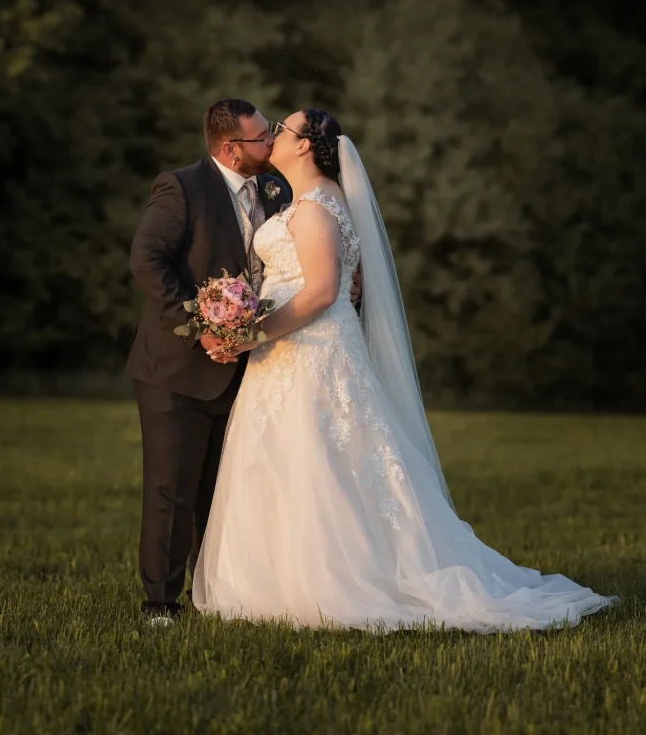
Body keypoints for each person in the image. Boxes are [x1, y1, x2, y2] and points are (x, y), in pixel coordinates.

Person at [192, 109, 619, 632]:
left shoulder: (317, 207)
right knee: (290, 460)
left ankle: (332, 581)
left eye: (283, 127)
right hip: (286, 352)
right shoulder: (308, 202)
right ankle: (275, 581)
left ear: (304, 146)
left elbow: (322, 292)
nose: (275, 133)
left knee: (318, 460)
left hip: (312, 353)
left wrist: (252, 335)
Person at [127, 98, 291, 623]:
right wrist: (199, 328)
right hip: (176, 367)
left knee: (222, 492)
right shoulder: (181, 187)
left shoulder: (277, 189)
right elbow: (147, 259)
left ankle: (215, 595)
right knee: (171, 489)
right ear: (230, 149)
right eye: (262, 137)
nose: (272, 142)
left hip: (248, 368)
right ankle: (160, 602)